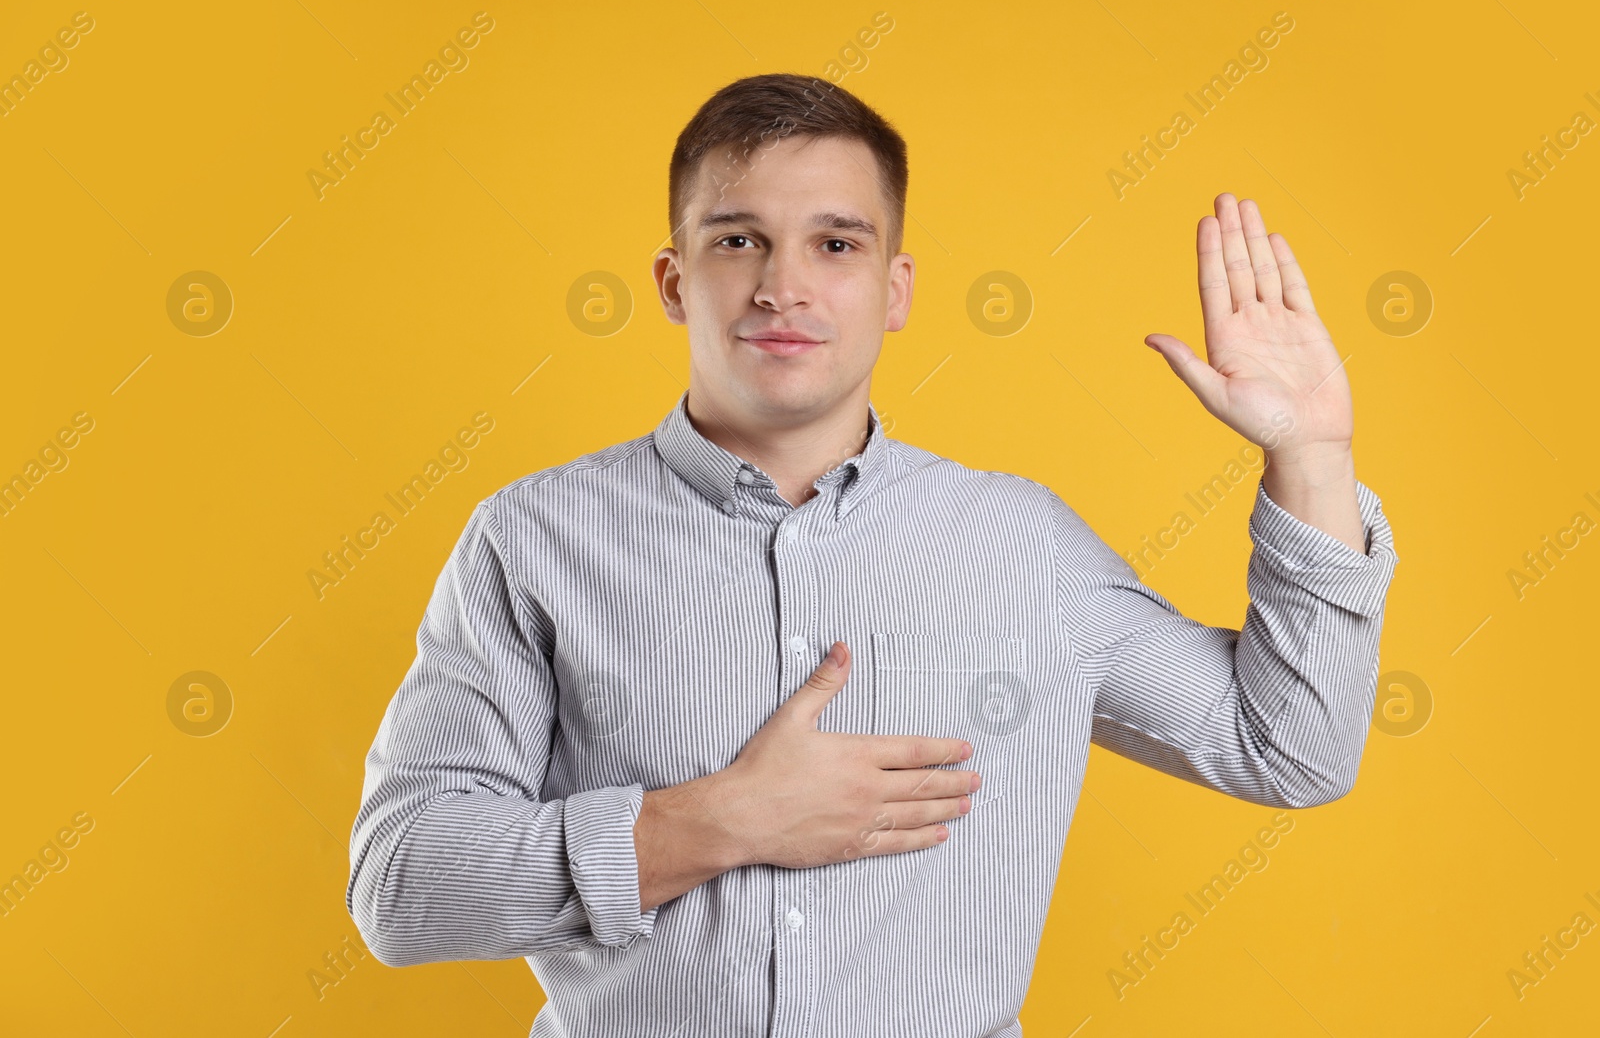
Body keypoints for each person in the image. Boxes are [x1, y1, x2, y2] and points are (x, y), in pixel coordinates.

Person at [345, 72, 1398, 1037]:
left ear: (895, 291)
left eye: (835, 244)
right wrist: (718, 820)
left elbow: (1291, 748)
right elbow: (402, 885)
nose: (782, 286)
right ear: (673, 281)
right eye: (737, 240)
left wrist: (1310, 452)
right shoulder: (533, 538)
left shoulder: (1019, 544)